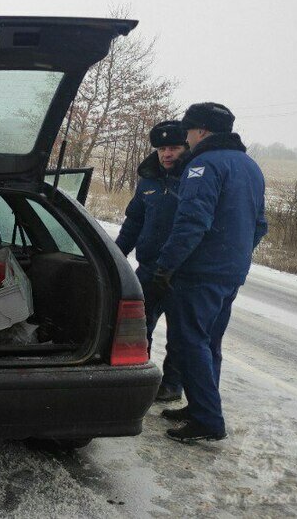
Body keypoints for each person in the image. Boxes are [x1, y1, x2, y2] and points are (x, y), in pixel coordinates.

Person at [153, 102, 267, 443]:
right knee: (209, 342)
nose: (186, 138)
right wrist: (235, 256)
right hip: (230, 273)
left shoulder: (203, 165)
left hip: (200, 272)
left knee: (190, 341)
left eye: (188, 131)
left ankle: (207, 420)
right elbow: (260, 224)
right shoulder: (250, 166)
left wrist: (166, 265)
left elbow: (192, 222)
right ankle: (200, 406)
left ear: (201, 131)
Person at [115, 120, 189, 403]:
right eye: (161, 149)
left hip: (182, 272)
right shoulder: (147, 180)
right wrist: (117, 254)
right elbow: (134, 222)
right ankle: (136, 377)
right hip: (148, 269)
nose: (167, 154)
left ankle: (171, 385)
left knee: (180, 333)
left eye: (174, 148)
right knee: (137, 328)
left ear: (185, 148)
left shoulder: (195, 179)